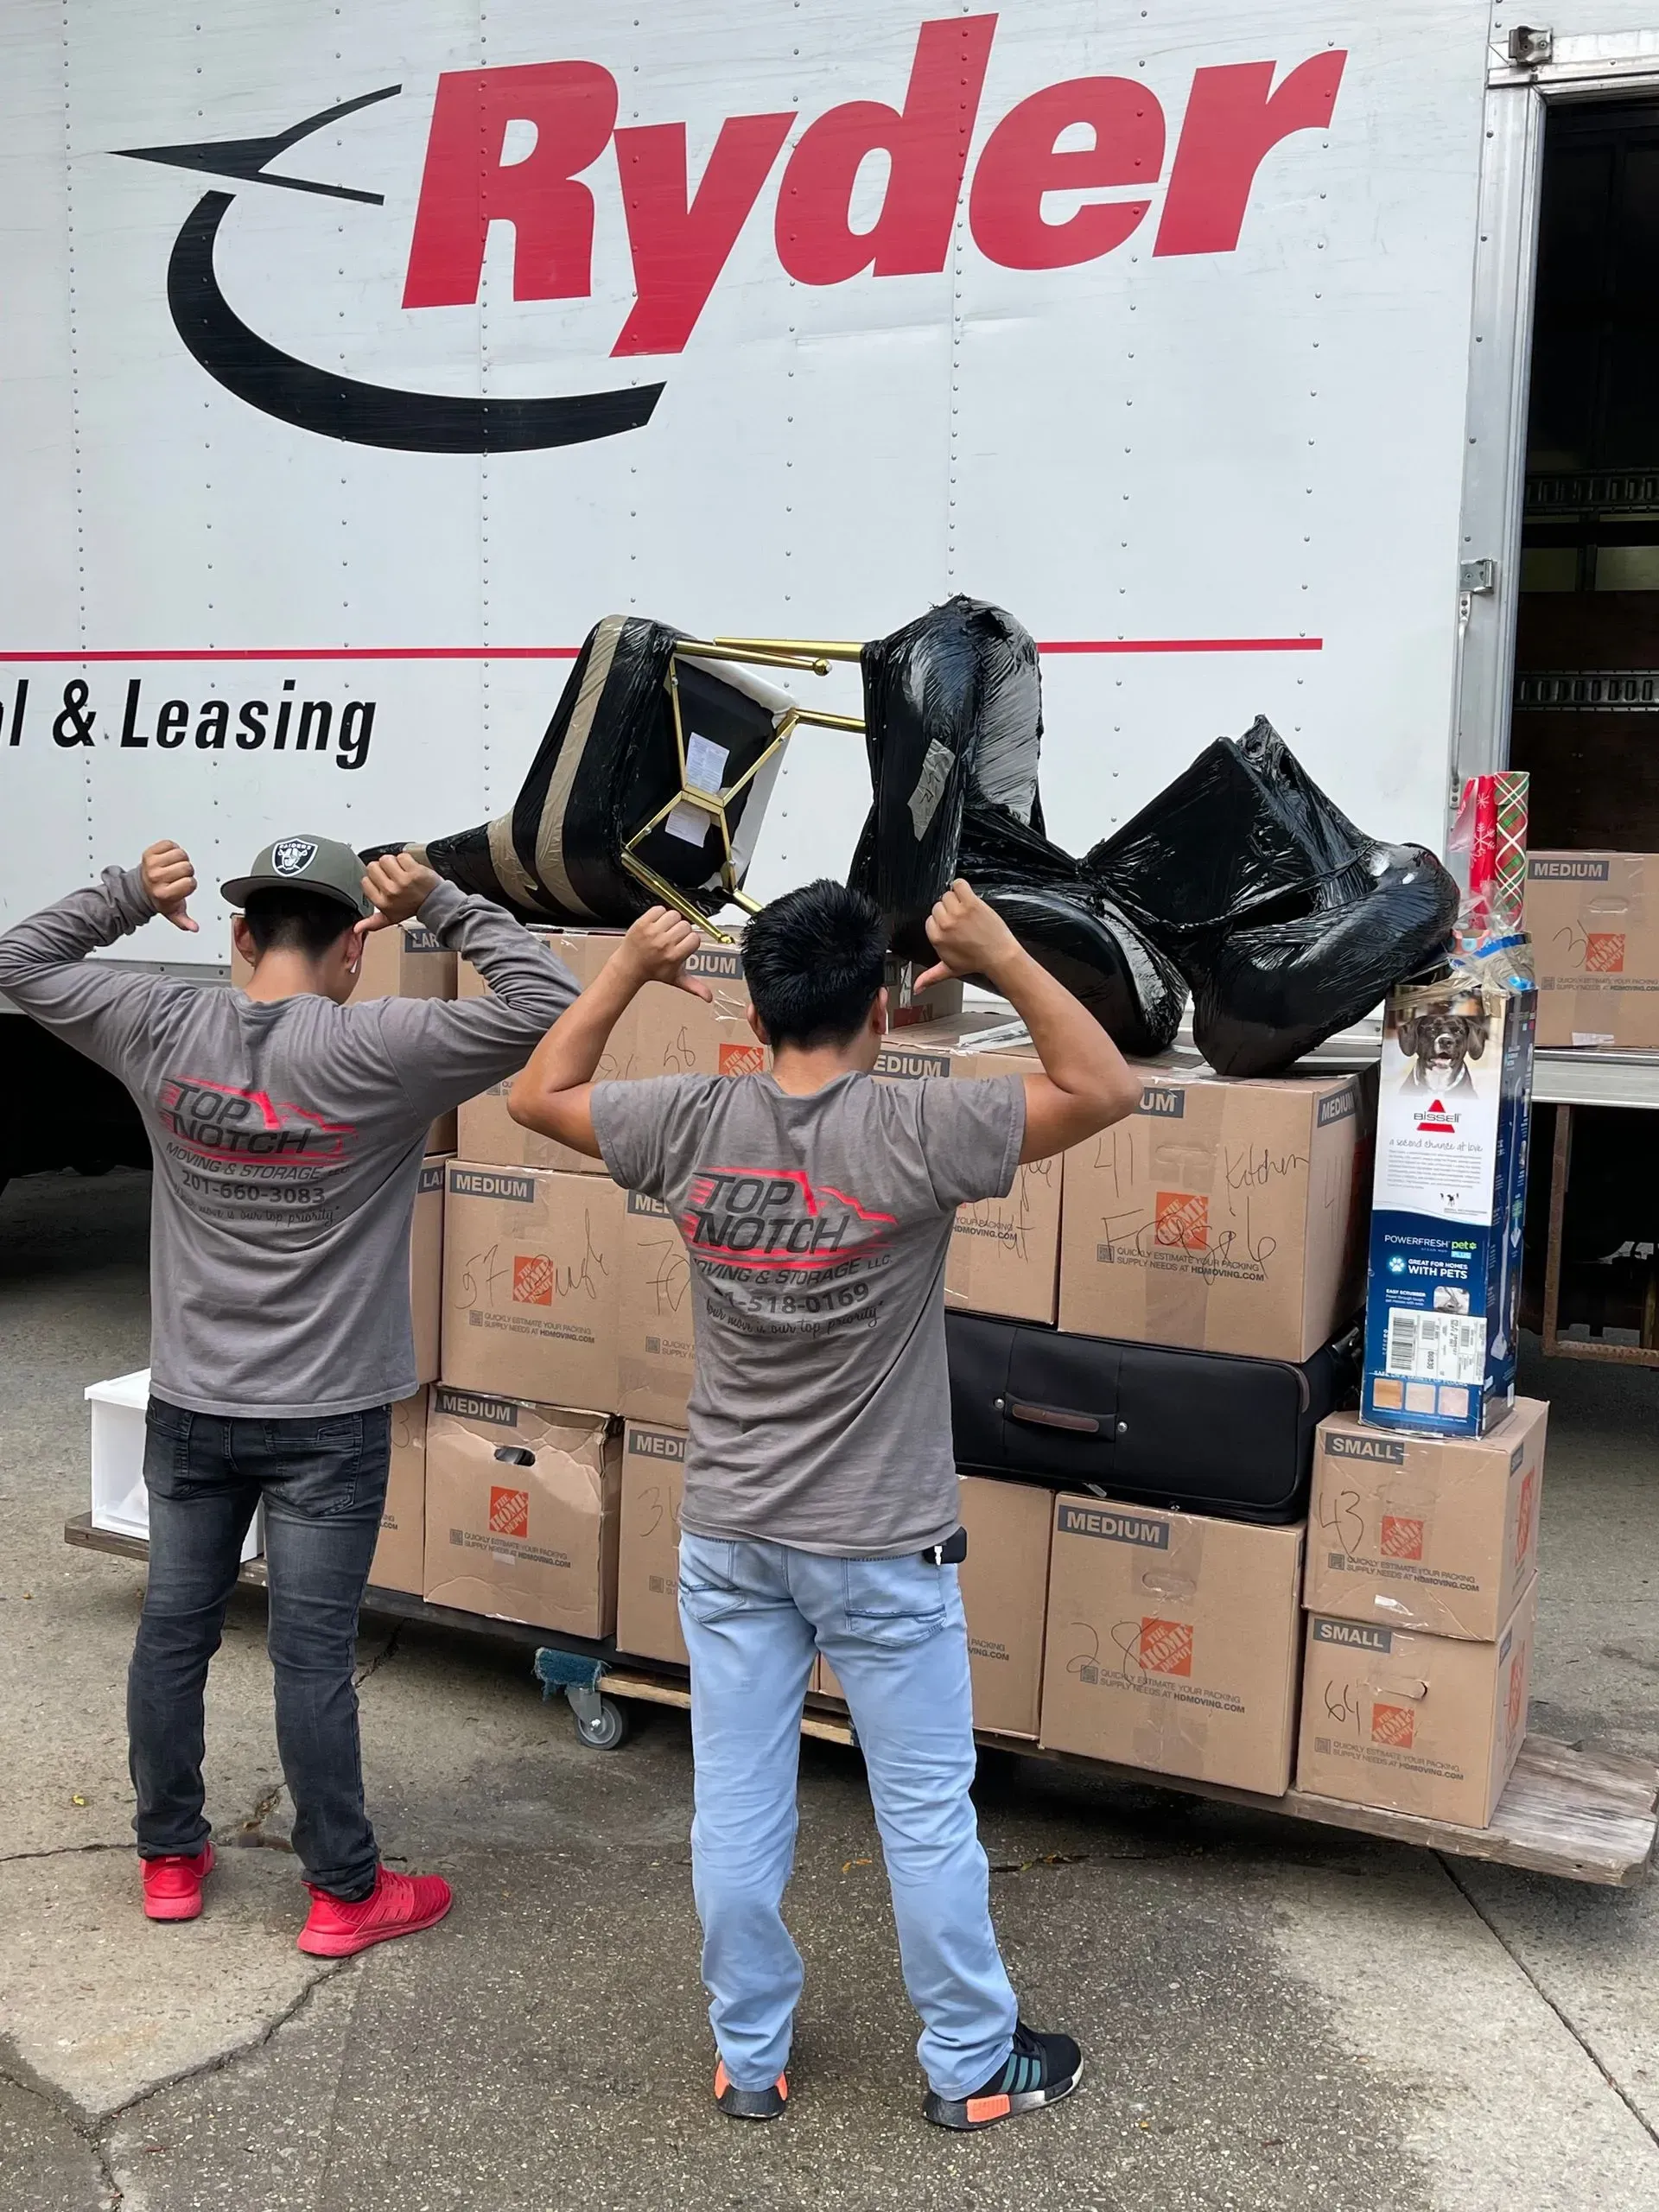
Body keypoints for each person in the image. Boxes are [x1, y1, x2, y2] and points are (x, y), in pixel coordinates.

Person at [506, 875, 1141, 2131]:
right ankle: (970, 2067)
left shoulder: (692, 1117)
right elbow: (1106, 1087)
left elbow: (536, 1095)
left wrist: (629, 969)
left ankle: (750, 2062)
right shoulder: (918, 1129)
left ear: (753, 1014)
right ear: (887, 1012)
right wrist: (1001, 951)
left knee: (736, 1807)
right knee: (922, 1813)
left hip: (732, 1534)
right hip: (881, 1546)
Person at [0, 835, 579, 1954]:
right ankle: (343, 1894)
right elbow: (547, 1001)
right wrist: (447, 903)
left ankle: (169, 1858)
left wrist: (126, 893)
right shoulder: (385, 1043)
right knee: (313, 1656)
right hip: (327, 1419)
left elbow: (19, 963)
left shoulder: (160, 1024)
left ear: (238, 938)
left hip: (195, 1403)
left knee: (175, 1630)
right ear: (354, 949)